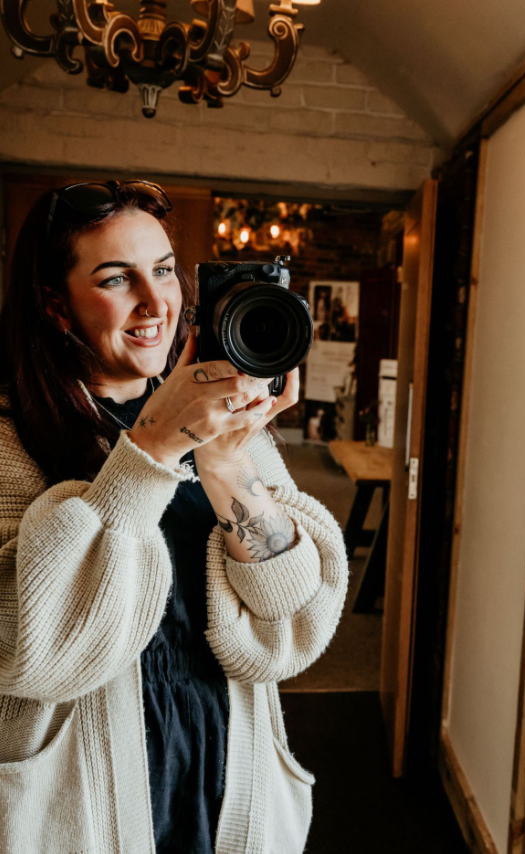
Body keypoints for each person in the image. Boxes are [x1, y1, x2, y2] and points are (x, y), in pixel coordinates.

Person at [0, 180, 349, 854]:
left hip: (224, 767)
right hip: (81, 795)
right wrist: (150, 451)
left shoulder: (225, 427)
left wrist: (224, 463)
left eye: (163, 270)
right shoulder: (11, 440)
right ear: (54, 302)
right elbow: (25, 644)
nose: (156, 301)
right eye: (115, 278)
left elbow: (294, 624)